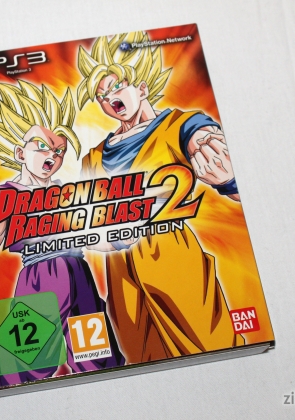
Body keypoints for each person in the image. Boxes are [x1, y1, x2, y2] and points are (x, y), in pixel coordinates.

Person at [76, 32, 244, 363]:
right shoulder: (92, 157)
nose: (110, 98)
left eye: (117, 86)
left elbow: (210, 150)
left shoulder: (182, 125)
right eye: (102, 96)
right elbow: (87, 225)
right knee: (139, 356)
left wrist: (227, 177)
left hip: (172, 257)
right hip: (120, 272)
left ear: (141, 88)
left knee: (212, 346)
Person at [0, 80, 124, 386]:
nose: (52, 156)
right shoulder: (6, 194)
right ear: (20, 153)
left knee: (99, 359)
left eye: (59, 151)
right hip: (41, 277)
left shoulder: (66, 192)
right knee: (20, 366)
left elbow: (90, 236)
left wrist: (118, 237)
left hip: (80, 273)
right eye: (42, 146)